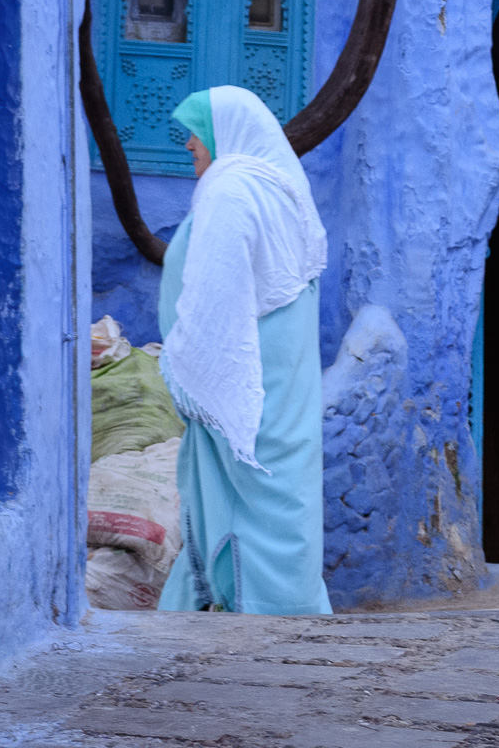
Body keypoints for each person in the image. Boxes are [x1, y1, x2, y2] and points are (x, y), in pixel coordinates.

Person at [156, 85, 332, 615]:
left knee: (251, 496)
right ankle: (289, 606)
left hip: (249, 382)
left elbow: (217, 298)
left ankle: (259, 610)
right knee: (284, 496)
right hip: (287, 382)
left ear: (226, 133)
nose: (188, 143)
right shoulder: (277, 188)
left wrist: (193, 373)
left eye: (197, 131)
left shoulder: (231, 189)